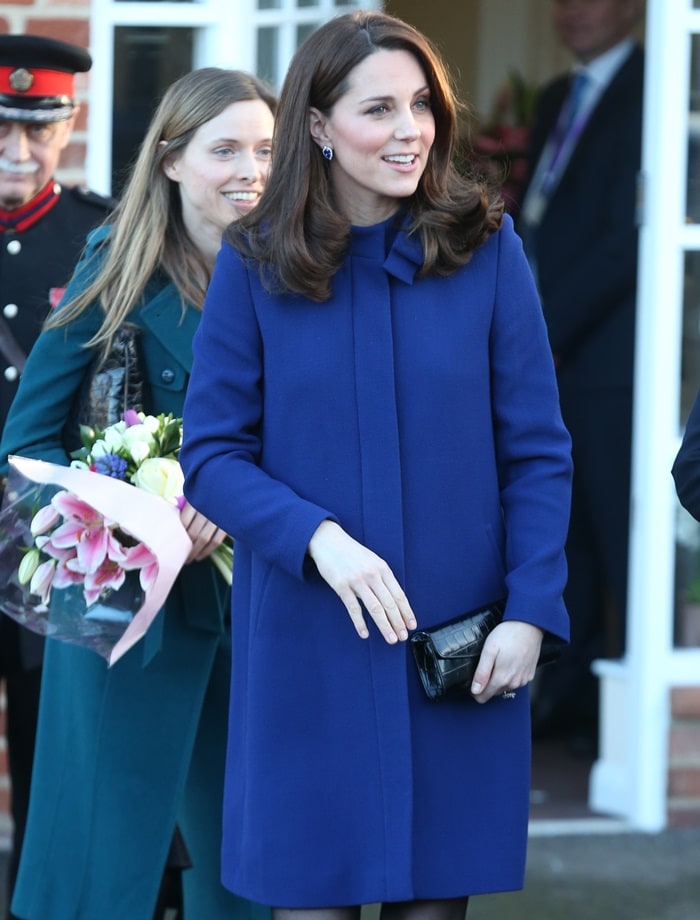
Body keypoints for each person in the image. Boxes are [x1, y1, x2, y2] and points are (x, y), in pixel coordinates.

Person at [179, 11, 572, 919]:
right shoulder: (253, 263)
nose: (410, 131)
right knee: (308, 898)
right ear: (316, 126)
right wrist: (318, 540)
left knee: (434, 904)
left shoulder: (487, 250)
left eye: (422, 106)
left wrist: (530, 611)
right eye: (379, 109)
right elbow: (212, 457)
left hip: (457, 646)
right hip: (309, 647)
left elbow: (539, 452)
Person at [0, 66, 276, 920]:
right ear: (169, 159)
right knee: (96, 871)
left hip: (263, 609)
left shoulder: (295, 268)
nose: (249, 170)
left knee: (247, 874)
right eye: (224, 148)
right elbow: (28, 441)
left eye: (266, 150)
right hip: (130, 615)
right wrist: (133, 515)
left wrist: (240, 493)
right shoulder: (114, 257)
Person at [0, 33, 114, 918]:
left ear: (68, 125)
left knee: (52, 750)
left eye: (39, 128)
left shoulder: (100, 238)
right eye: (1, 127)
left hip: (51, 544)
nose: (18, 150)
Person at [517, 0, 645, 750]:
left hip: (608, 360)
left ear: (632, 8)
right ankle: (568, 697)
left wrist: (547, 332)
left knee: (613, 527)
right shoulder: (558, 97)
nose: (576, 10)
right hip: (551, 352)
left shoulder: (658, 91)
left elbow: (630, 238)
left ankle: (623, 717)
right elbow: (540, 217)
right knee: (561, 528)